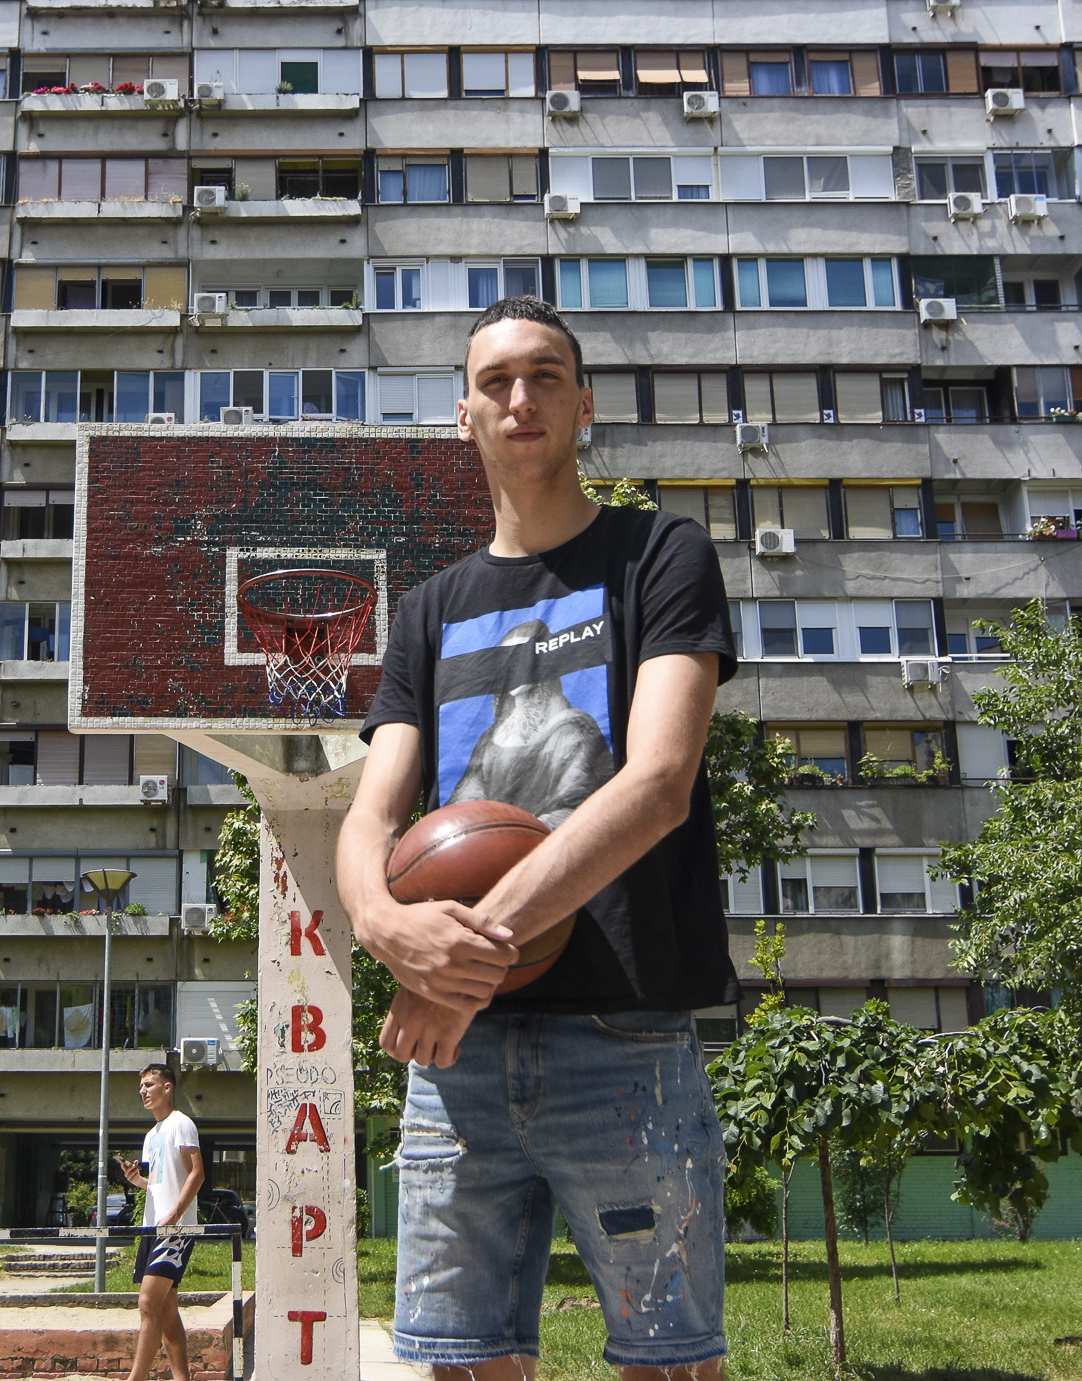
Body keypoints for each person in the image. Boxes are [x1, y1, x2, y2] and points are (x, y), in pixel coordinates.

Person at [337, 295, 740, 1381]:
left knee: (667, 1365)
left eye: (547, 375)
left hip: (620, 1040)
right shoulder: (426, 610)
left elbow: (655, 782)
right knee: (460, 1364)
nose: (522, 396)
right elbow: (371, 815)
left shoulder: (657, 554)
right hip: (455, 1057)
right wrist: (385, 929)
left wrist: (460, 960)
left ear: (582, 405)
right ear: (460, 413)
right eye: (498, 379)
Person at [120, 1062, 206, 1381]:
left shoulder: (181, 1123)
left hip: (175, 1229)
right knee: (167, 1310)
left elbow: (197, 1173)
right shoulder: (151, 1134)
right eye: (141, 1086)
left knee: (147, 1303)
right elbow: (160, 1183)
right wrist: (138, 1181)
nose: (143, 1091)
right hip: (152, 1228)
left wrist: (175, 1214)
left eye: (149, 1084)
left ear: (166, 1087)